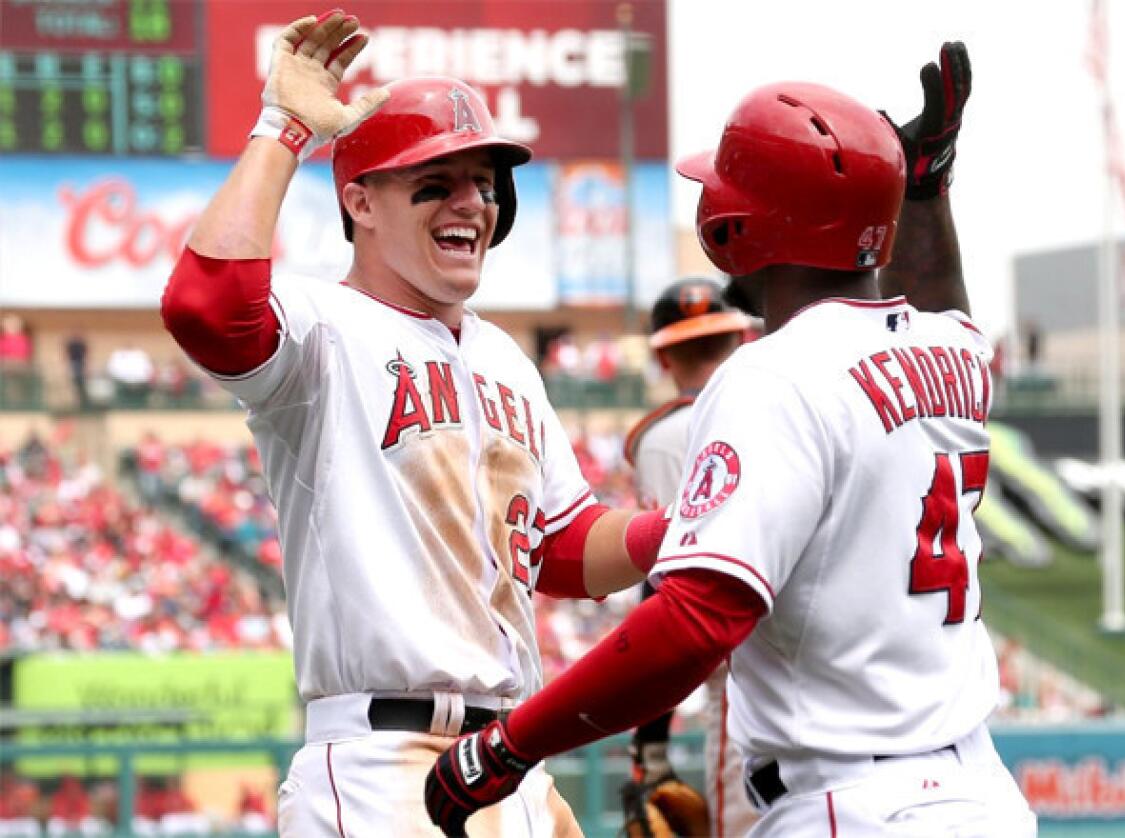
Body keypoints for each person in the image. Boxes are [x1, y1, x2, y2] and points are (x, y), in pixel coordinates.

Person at [425, 43, 1038, 837]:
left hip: (849, 803)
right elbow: (941, 303)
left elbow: (696, 621)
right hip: (982, 796)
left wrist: (509, 746)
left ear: (738, 225)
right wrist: (928, 188)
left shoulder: (771, 376)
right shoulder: (952, 350)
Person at [160, 10, 667, 836]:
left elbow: (563, 548)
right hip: (380, 761)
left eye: (484, 182)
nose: (472, 201)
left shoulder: (507, 358)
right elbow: (206, 307)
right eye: (434, 182)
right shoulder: (322, 327)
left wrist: (682, 530)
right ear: (359, 201)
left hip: (512, 758)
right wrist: (283, 129)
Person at [619, 277, 754, 837]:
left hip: (747, 685)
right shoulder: (798, 406)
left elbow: (673, 592)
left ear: (662, 356)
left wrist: (650, 735)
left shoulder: (663, 438)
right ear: (740, 340)